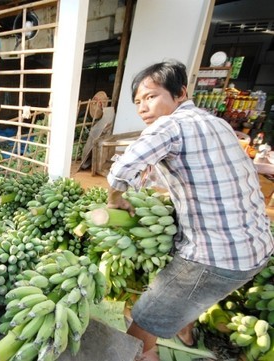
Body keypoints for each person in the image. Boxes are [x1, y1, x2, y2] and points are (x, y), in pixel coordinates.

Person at [106, 60, 274, 360]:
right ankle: (185, 329)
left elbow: (123, 169)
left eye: (151, 96)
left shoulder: (171, 125)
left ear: (180, 93)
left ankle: (144, 352)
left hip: (214, 257)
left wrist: (114, 198)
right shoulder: (218, 122)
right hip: (256, 250)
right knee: (190, 296)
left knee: (142, 319)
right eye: (138, 102)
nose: (143, 107)